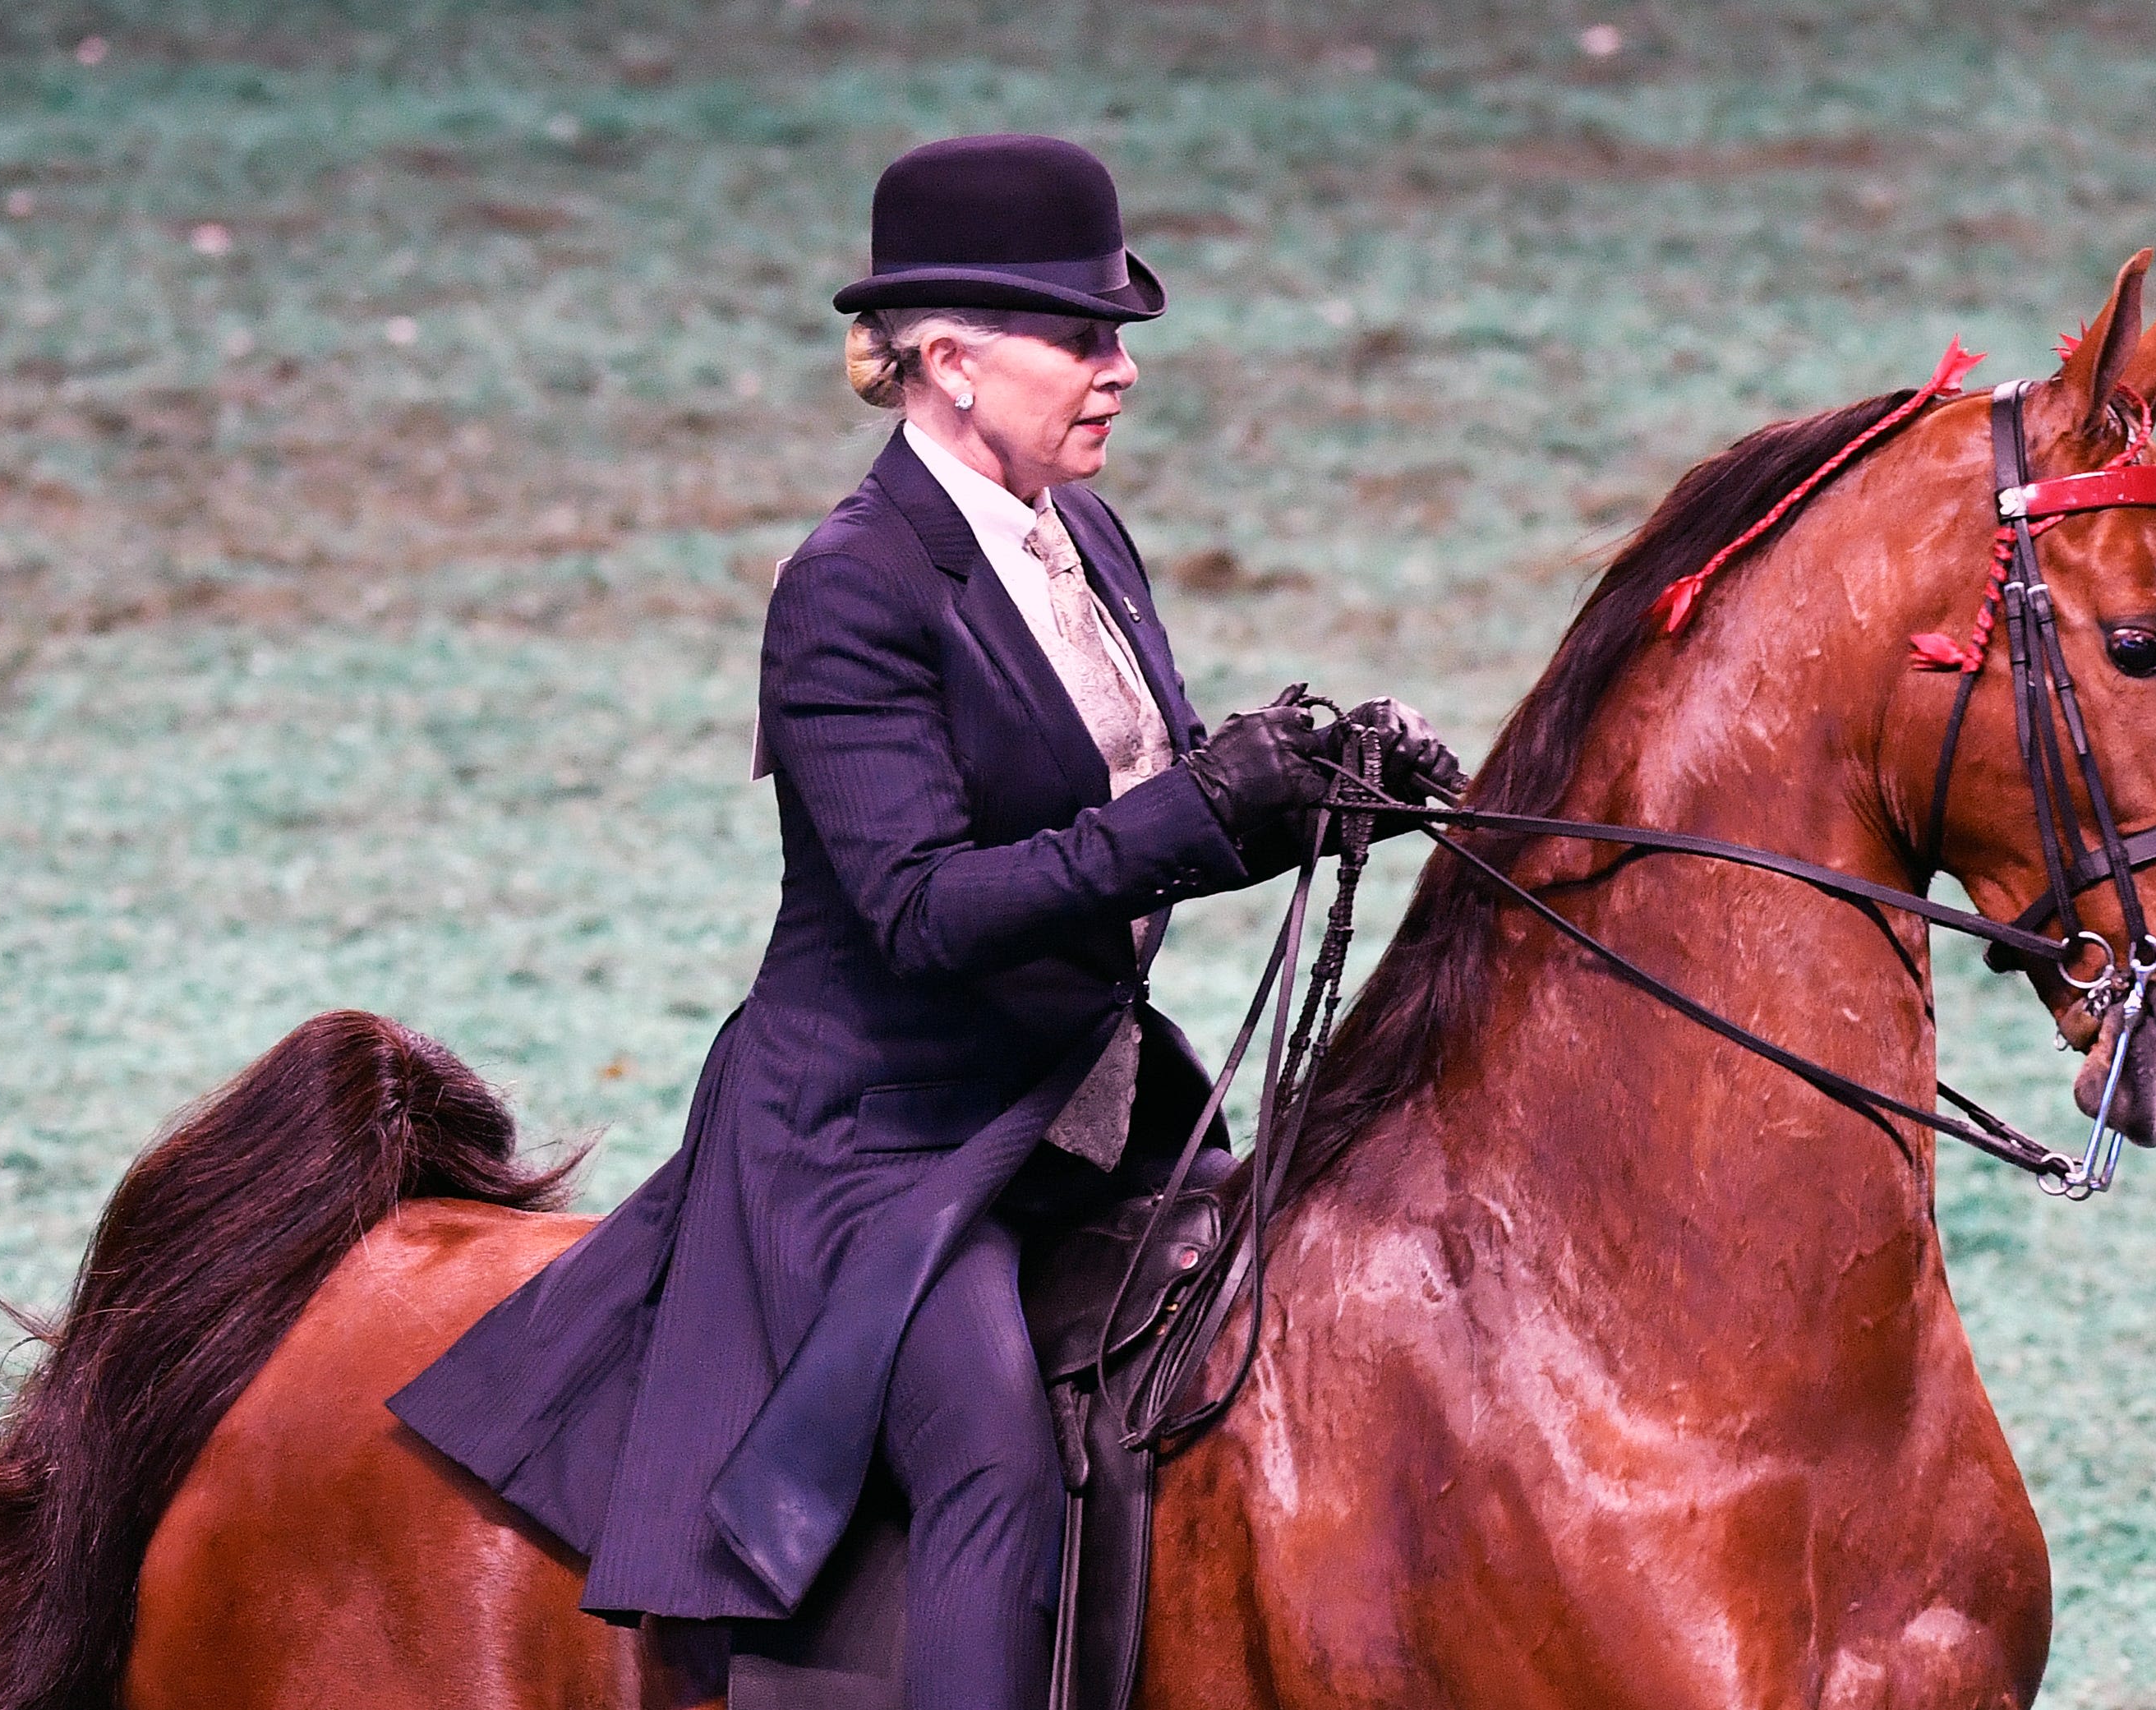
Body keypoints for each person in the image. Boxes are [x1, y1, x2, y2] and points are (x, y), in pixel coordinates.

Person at [389, 133, 1459, 1710]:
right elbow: (923, 909)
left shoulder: (1080, 536)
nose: (1119, 373)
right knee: (997, 1470)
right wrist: (1203, 805)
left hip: (1066, 1104)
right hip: (870, 1142)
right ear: (946, 360)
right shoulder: (849, 586)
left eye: (1121, 339)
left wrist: (1310, 796)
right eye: (1083, 338)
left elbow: (1111, 837)